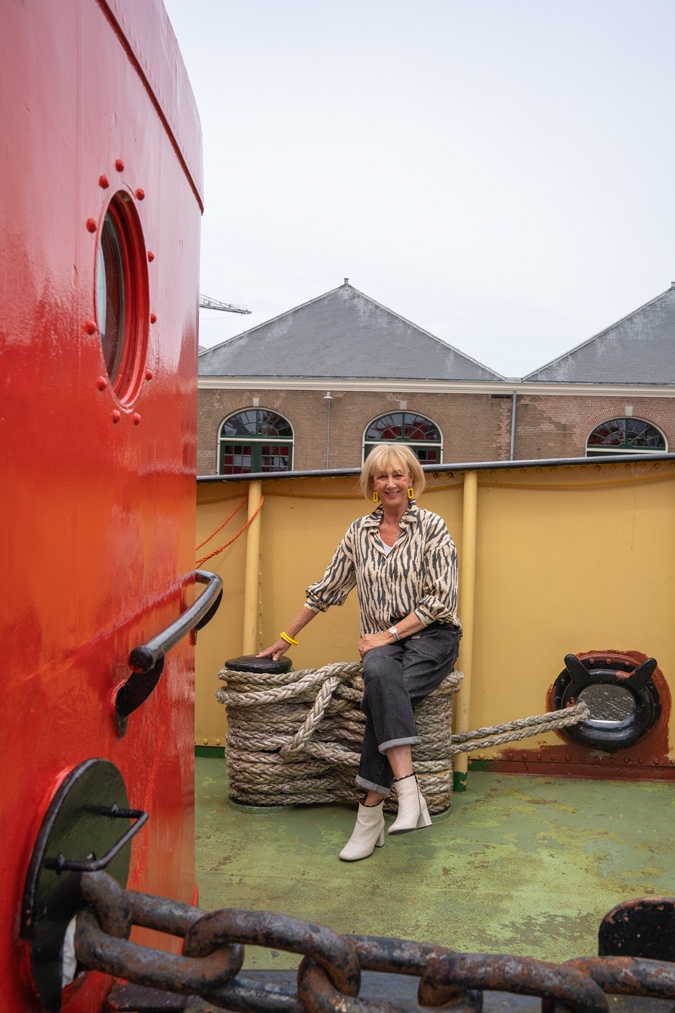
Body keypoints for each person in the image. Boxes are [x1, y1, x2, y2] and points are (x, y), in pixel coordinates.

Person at [258, 443, 462, 861]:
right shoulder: (359, 533)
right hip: (379, 645)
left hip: (432, 638)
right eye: (381, 476)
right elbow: (326, 591)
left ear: (411, 480)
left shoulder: (433, 528)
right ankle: (408, 793)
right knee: (383, 680)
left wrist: (388, 634)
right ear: (372, 483)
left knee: (384, 690)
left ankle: (369, 815)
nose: (390, 483)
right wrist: (285, 638)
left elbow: (442, 600)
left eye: (397, 475)